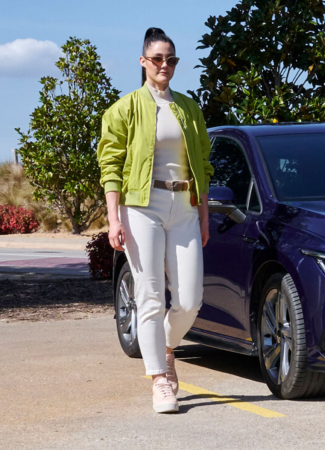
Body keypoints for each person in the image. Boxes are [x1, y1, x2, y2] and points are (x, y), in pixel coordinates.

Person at [97, 27, 213, 413]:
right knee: (149, 296)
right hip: (140, 206)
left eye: (172, 59)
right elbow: (110, 167)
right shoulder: (123, 109)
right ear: (144, 62)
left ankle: (165, 347)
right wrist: (113, 219)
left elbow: (205, 167)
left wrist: (204, 214)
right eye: (158, 59)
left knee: (190, 300)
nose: (166, 65)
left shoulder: (189, 108)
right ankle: (160, 379)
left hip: (184, 206)